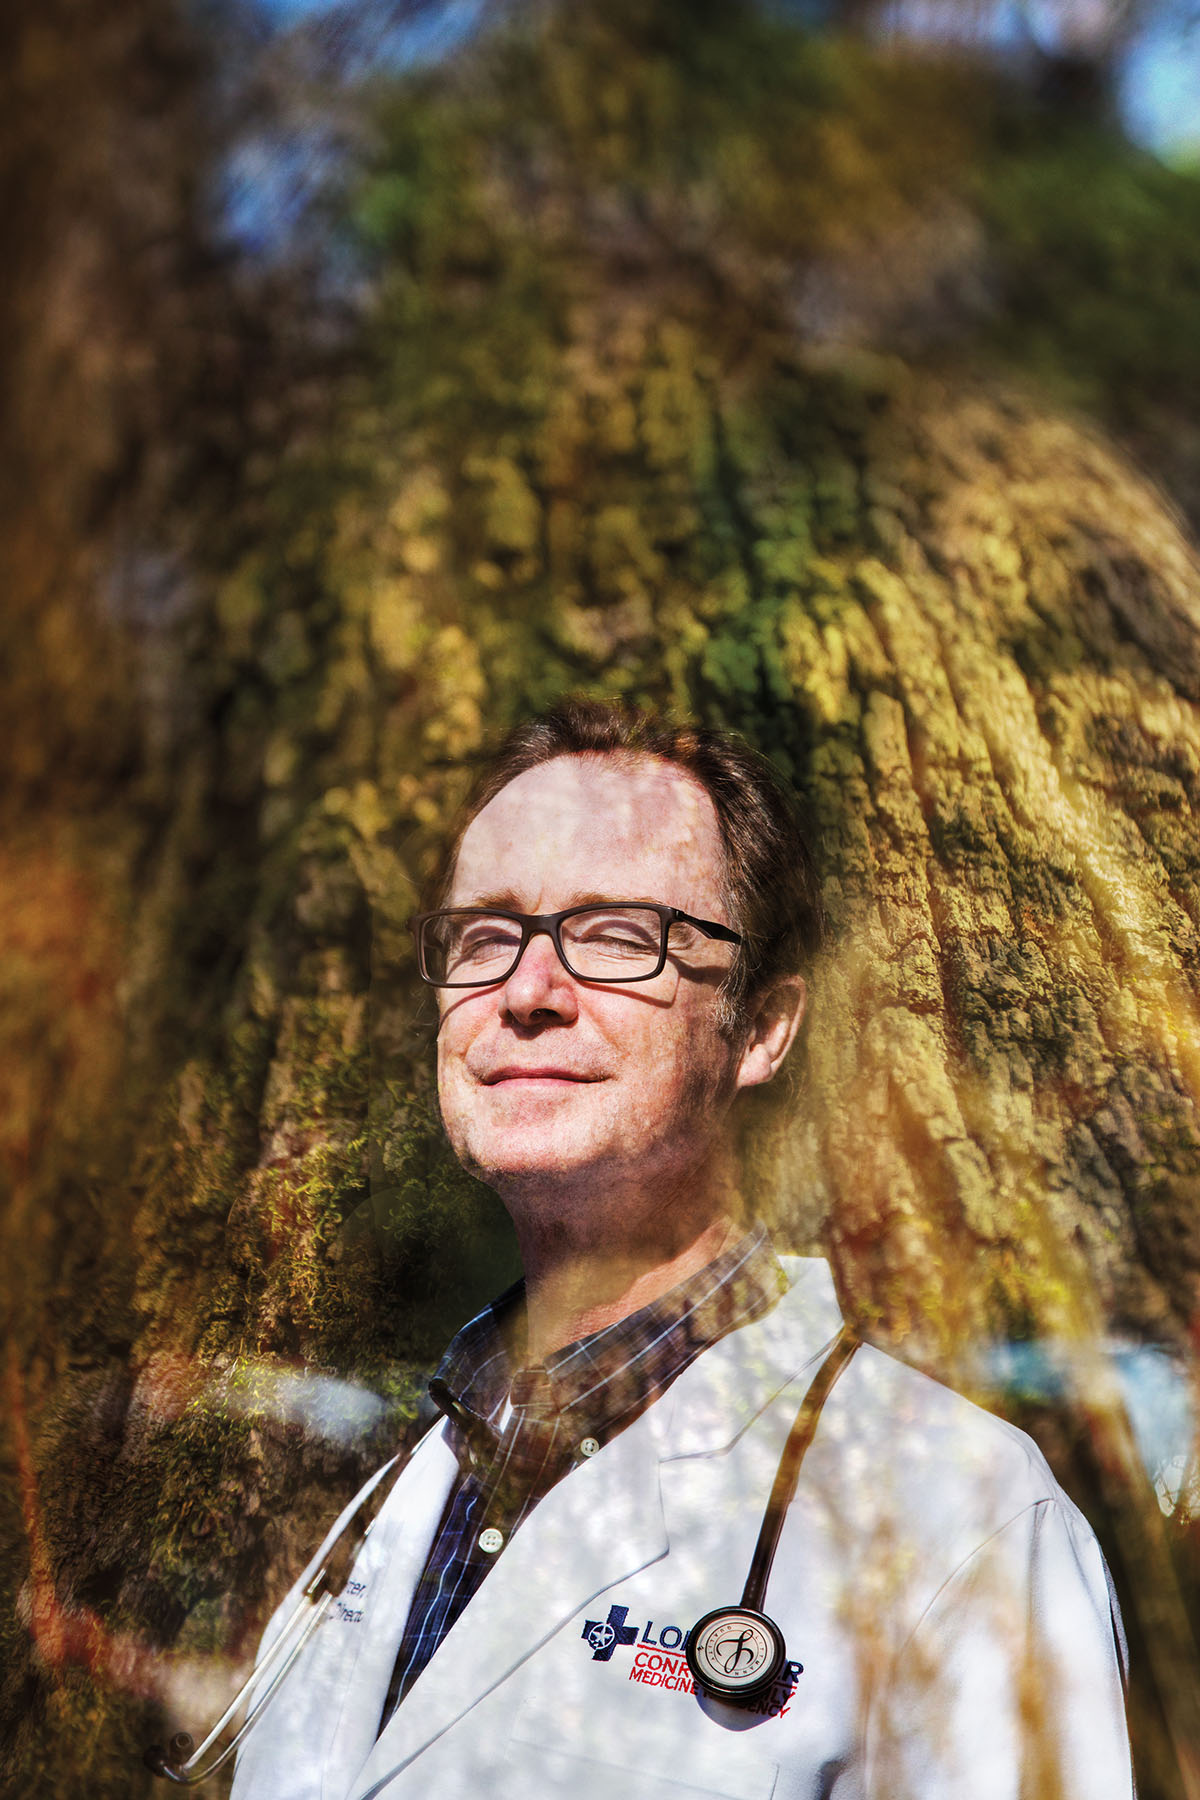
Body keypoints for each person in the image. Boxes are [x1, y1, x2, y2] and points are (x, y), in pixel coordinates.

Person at [230, 699, 1133, 1800]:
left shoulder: (965, 1517)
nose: (525, 993)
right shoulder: (394, 1502)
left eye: (616, 935)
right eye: (485, 936)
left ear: (761, 1029)